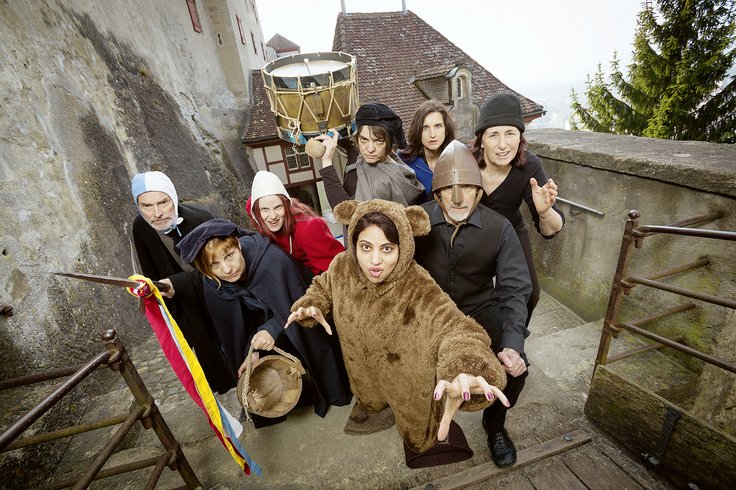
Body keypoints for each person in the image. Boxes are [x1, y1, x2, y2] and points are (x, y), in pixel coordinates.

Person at [286, 198, 510, 468]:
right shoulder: (342, 266)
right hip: (361, 371)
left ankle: (421, 439)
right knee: (369, 400)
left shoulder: (418, 285)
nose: (375, 261)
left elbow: (456, 327)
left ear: (403, 246)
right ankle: (372, 407)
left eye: (387, 248)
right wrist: (313, 304)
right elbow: (322, 285)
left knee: (418, 433)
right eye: (365, 247)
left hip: (406, 383)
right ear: (354, 244)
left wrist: (466, 365)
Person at [413, 140, 533, 468]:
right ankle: (430, 428)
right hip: (432, 312)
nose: (457, 198)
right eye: (449, 189)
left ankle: (494, 426)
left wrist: (512, 343)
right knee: (414, 370)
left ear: (478, 190)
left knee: (515, 368)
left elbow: (514, 289)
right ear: (436, 193)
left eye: (466, 187)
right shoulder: (416, 223)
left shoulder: (499, 227)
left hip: (479, 308)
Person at [175, 218, 352, 423]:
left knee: (310, 339)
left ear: (238, 245)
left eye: (230, 256)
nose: (227, 269)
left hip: (299, 315)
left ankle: (331, 388)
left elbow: (292, 303)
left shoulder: (271, 260)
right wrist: (250, 352)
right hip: (261, 325)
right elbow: (235, 329)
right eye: (215, 264)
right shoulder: (213, 283)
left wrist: (272, 329)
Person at [131, 171, 235, 394]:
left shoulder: (202, 220)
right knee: (211, 357)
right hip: (185, 304)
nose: (157, 213)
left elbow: (224, 271)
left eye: (163, 202)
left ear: (173, 198)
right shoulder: (141, 226)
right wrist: (154, 290)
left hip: (217, 296)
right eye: (147, 206)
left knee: (233, 347)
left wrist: (176, 282)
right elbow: (151, 269)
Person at [469, 92, 565, 326]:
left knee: (528, 294)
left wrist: (544, 212)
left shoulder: (529, 166)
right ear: (481, 140)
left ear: (520, 137)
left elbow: (551, 229)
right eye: (494, 135)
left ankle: (512, 344)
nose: (503, 145)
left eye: (510, 133)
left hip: (509, 231)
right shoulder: (465, 162)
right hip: (471, 233)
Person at [316, 103, 424, 207]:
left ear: (390, 144)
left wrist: (327, 161)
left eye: (379, 141)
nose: (370, 149)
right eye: (364, 139)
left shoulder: (382, 185)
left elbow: (345, 210)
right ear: (357, 139)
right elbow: (353, 148)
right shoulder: (386, 159)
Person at [246, 170, 344, 275]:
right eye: (265, 209)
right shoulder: (257, 215)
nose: (273, 216)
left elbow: (339, 268)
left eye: (278, 207)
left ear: (287, 205)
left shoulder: (308, 229)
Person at [399, 100, 456, 203]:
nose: (432, 134)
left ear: (446, 129)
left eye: (438, 126)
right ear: (417, 131)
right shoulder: (403, 161)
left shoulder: (459, 158)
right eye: (425, 128)